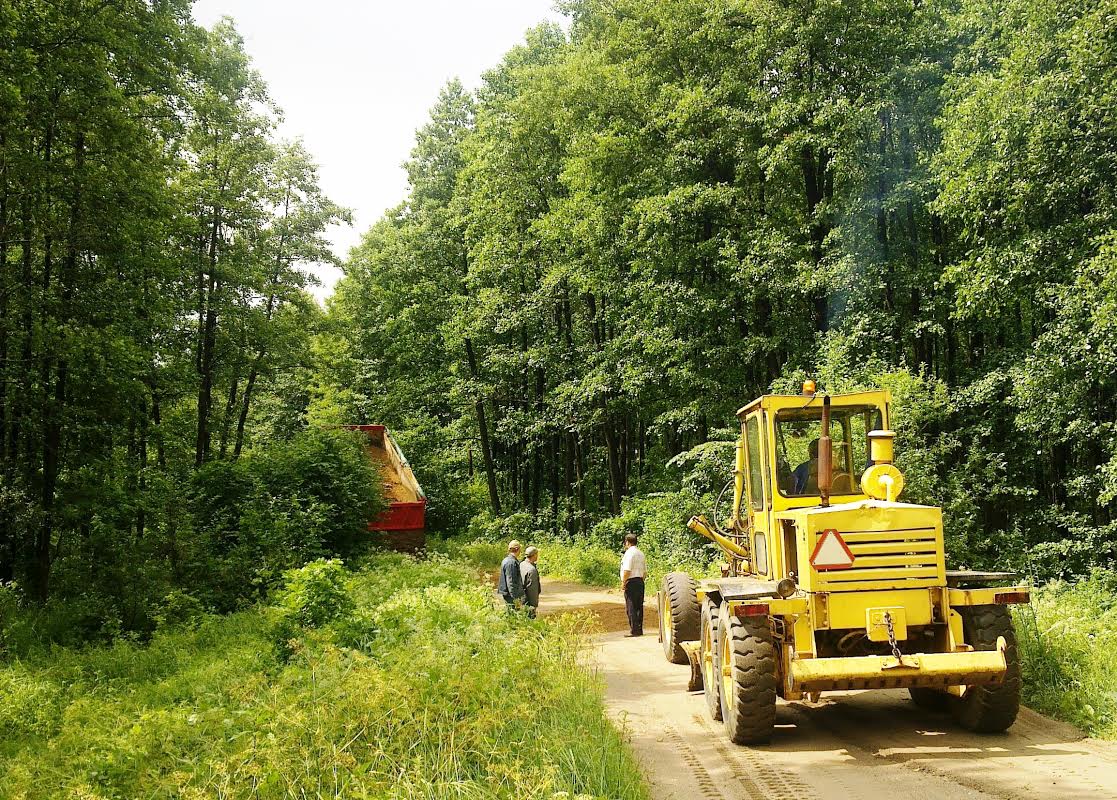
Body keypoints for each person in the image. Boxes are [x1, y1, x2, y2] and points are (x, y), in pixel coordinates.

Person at [620, 533, 646, 637]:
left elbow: (627, 570)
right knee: (639, 606)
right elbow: (645, 572)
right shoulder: (641, 553)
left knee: (631, 606)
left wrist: (623, 582)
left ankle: (634, 630)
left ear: (627, 542)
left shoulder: (629, 554)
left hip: (630, 581)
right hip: (640, 581)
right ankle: (639, 629)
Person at [497, 540, 524, 608]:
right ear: (517, 549)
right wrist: (515, 598)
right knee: (513, 613)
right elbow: (511, 581)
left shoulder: (507, 560)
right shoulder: (511, 563)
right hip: (510, 595)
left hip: (508, 593)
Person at [520, 546, 541, 618]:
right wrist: (534, 605)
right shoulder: (532, 570)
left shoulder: (521, 564)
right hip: (528, 601)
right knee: (529, 619)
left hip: (521, 598)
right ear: (534, 555)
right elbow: (532, 589)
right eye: (537, 554)